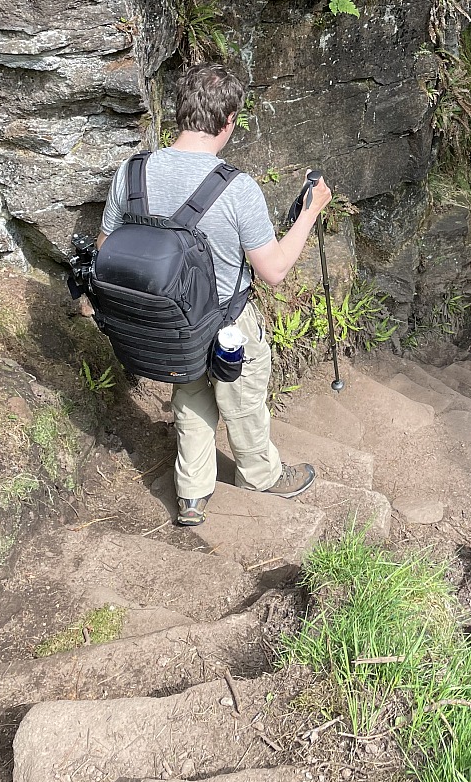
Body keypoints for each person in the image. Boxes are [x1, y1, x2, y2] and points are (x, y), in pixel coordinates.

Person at [99, 62, 332, 526]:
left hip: (172, 323)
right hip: (229, 321)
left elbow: (107, 247)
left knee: (189, 399)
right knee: (242, 403)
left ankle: (191, 493)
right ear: (228, 123)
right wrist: (309, 214)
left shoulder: (133, 171)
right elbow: (273, 271)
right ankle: (261, 476)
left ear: (180, 111)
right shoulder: (236, 188)